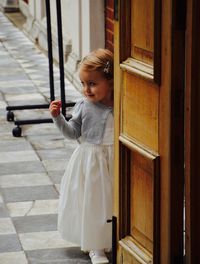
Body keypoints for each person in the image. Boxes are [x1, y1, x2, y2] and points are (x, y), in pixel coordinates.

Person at [49, 48, 114, 264]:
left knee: (113, 202)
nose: (86, 89)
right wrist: (58, 118)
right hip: (91, 162)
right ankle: (95, 246)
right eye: (83, 83)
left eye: (93, 83)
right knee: (94, 203)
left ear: (111, 81)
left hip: (115, 161)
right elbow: (72, 133)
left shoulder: (123, 102)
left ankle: (114, 238)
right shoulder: (84, 106)